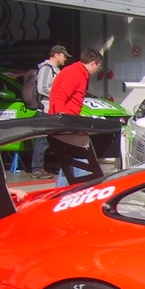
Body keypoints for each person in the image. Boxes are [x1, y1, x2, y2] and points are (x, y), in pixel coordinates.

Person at [49, 48, 103, 186]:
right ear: (93, 63)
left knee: (68, 165)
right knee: (82, 161)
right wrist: (63, 123)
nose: (98, 70)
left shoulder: (76, 72)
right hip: (66, 126)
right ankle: (81, 192)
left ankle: (62, 194)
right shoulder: (75, 74)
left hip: (67, 125)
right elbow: (60, 98)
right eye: (98, 66)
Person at [30, 45, 68, 179]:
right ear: (56, 55)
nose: (65, 59)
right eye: (64, 56)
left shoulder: (55, 70)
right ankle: (37, 169)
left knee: (50, 139)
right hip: (45, 109)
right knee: (42, 140)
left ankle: (46, 167)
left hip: (52, 109)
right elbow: (42, 88)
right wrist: (60, 95)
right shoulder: (47, 68)